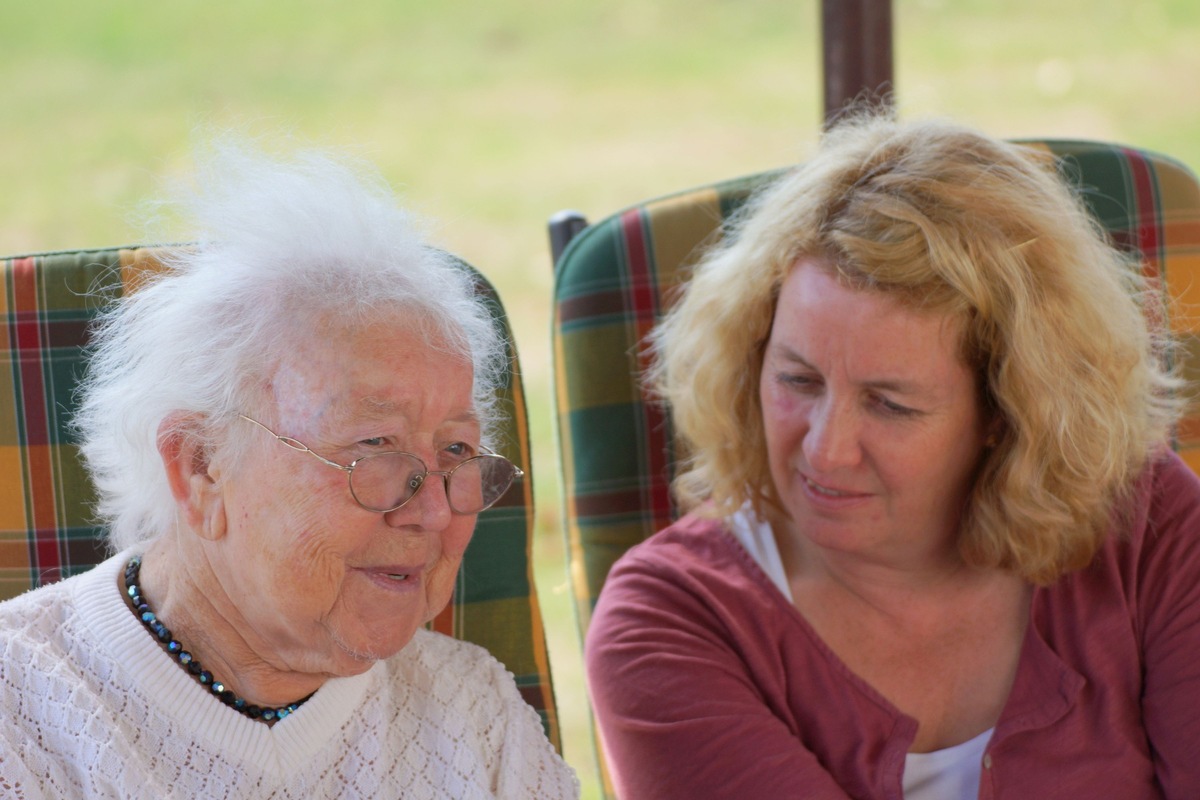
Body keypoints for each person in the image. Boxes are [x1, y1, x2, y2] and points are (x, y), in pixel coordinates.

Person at [585, 113, 1200, 799]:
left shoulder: (1148, 523)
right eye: (797, 380)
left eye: (890, 404)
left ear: (1008, 412)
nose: (826, 449)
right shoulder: (667, 623)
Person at [0, 143, 579, 799]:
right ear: (201, 467)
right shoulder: (22, 722)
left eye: (455, 452)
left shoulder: (471, 714)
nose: (434, 511)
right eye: (376, 447)